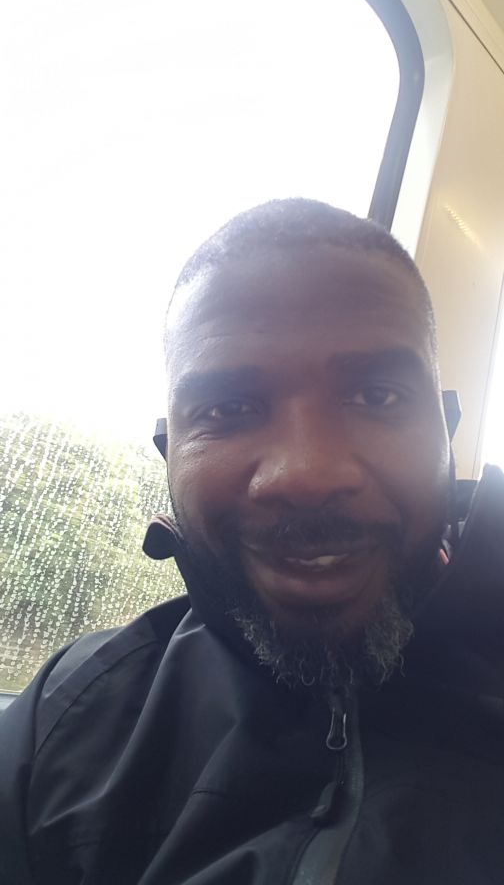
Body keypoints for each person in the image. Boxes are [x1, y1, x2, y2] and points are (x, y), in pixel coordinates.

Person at [1, 198, 504, 884]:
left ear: (447, 429)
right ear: (169, 451)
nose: (307, 474)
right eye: (229, 408)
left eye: (377, 396)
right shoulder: (64, 723)